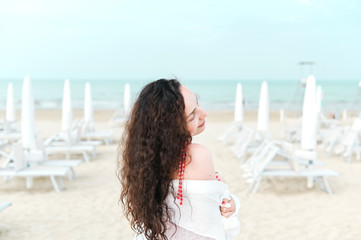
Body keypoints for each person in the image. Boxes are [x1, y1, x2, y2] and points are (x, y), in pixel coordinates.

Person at [118, 79, 240, 240]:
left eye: (198, 103)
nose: (204, 114)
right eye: (192, 116)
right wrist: (231, 201)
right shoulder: (197, 155)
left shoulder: (145, 161)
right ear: (171, 129)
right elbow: (215, 227)